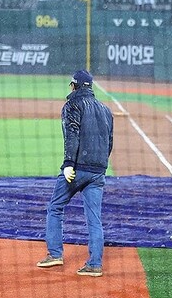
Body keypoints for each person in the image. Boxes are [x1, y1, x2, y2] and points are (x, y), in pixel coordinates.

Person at [37, 70, 114, 276]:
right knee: (94, 218)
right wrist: (100, 166)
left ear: (74, 85)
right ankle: (95, 265)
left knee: (55, 207)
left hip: (78, 168)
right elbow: (109, 143)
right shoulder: (106, 110)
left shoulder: (72, 105)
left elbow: (72, 134)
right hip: (98, 171)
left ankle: (55, 254)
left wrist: (69, 164)